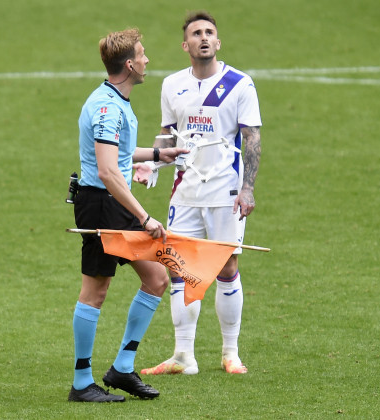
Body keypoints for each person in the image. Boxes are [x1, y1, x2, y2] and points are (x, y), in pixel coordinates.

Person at [68, 28, 189, 402]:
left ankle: (121, 368)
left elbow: (116, 155)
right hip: (103, 204)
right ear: (130, 64)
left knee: (156, 279)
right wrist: (145, 216)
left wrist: (156, 156)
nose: (148, 59)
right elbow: (107, 171)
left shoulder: (115, 100)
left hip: (112, 202)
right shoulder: (107, 108)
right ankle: (82, 383)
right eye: (143, 54)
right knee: (96, 291)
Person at [139, 11, 262, 376]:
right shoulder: (172, 85)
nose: (204, 38)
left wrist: (248, 188)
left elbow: (252, 137)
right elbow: (167, 134)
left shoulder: (240, 84)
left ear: (218, 42)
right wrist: (153, 163)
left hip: (226, 193)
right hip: (186, 193)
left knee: (227, 267)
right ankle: (183, 357)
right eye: (196, 33)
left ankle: (230, 353)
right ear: (186, 45)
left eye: (210, 32)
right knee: (179, 270)